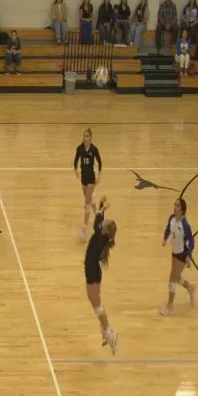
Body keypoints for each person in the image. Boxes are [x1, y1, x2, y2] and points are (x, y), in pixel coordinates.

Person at [84, 196, 119, 354]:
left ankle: (109, 333)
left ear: (105, 230)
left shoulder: (100, 236)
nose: (103, 222)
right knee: (94, 302)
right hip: (93, 270)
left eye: (105, 223)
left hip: (92, 271)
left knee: (97, 306)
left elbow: (97, 223)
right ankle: (105, 329)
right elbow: (99, 221)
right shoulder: (103, 235)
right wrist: (100, 208)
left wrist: (101, 209)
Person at [161, 198, 198, 316]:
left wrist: (188, 256)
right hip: (174, 252)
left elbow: (191, 242)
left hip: (182, 254)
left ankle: (170, 305)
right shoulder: (172, 218)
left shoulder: (185, 225)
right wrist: (165, 238)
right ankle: (190, 288)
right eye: (174, 204)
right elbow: (168, 228)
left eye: (177, 205)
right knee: (176, 278)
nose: (174, 207)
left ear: (182, 210)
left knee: (172, 277)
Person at [73, 128, 103, 237]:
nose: (86, 138)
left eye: (88, 136)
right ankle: (98, 213)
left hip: (91, 178)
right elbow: (75, 161)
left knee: (86, 203)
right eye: (84, 136)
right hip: (84, 178)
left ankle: (85, 226)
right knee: (88, 198)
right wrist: (76, 171)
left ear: (91, 138)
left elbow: (100, 163)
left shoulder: (94, 149)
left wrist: (99, 176)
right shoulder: (80, 149)